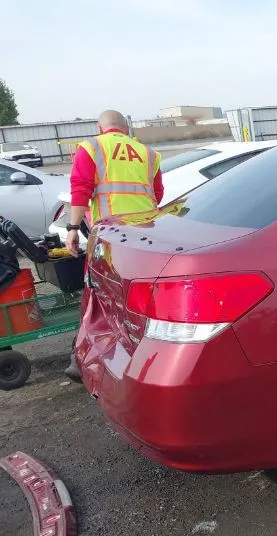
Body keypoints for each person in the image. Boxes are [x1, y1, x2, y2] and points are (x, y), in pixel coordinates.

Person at [64, 110, 164, 381]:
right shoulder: (149, 153)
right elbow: (157, 193)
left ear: (101, 127)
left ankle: (82, 356)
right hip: (145, 236)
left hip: (110, 236)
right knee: (134, 296)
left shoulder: (92, 147)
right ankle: (140, 359)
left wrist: (73, 229)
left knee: (96, 293)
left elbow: (81, 188)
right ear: (126, 128)